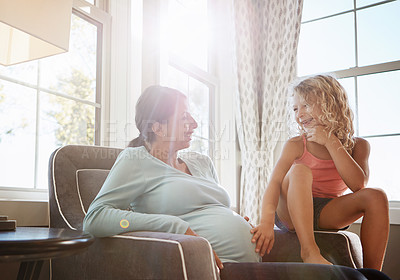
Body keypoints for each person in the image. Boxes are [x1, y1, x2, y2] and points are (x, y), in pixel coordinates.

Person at [83, 85, 261, 270]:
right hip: (219, 268)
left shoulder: (202, 162)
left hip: (252, 263)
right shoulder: (136, 160)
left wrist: (238, 222)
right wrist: (173, 225)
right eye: (184, 117)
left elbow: (211, 213)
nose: (194, 123)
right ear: (158, 128)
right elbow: (95, 219)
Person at [250, 75, 389, 271]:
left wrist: (331, 142)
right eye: (295, 109)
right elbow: (274, 183)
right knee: (299, 170)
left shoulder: (359, 146)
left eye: (306, 105)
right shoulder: (296, 144)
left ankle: (372, 274)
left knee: (377, 196)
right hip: (289, 209)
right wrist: (265, 220)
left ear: (331, 105)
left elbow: (358, 186)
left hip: (327, 211)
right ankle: (309, 251)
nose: (300, 114)